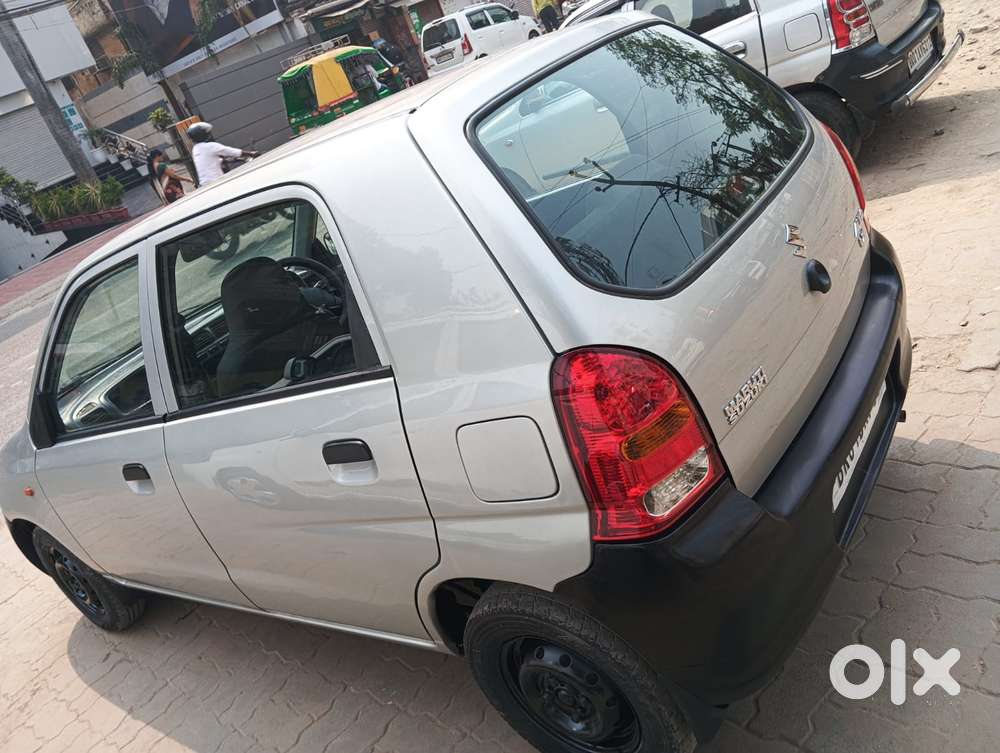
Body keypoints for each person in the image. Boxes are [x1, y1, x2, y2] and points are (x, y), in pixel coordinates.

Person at [187, 122, 258, 186]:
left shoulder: (196, 149)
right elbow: (233, 152)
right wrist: (252, 153)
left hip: (205, 185)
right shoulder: (210, 146)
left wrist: (238, 159)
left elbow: (212, 161)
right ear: (203, 135)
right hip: (216, 183)